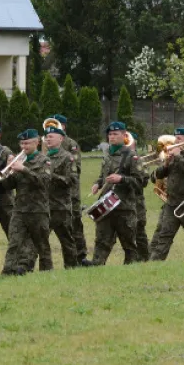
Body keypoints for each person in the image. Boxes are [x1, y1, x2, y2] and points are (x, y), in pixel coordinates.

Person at [88, 122, 143, 265]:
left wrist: (122, 179)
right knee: (101, 240)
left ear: (124, 136)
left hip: (124, 207)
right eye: (110, 134)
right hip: (106, 205)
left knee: (128, 243)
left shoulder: (132, 156)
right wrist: (97, 183)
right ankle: (96, 266)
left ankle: (131, 268)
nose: (111, 137)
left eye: (115, 134)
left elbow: (141, 182)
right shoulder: (107, 155)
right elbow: (103, 176)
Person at [0, 129, 52, 274]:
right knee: (14, 242)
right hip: (20, 210)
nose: (24, 147)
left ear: (36, 142)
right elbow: (9, 186)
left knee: (42, 244)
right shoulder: (20, 160)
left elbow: (44, 182)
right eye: (22, 143)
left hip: (38, 210)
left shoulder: (44, 160)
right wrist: (8, 172)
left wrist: (24, 169)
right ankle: (8, 271)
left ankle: (46, 272)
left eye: (27, 143)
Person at [149, 128, 184, 261]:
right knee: (164, 236)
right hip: (172, 203)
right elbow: (156, 176)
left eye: (179, 138)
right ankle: (154, 265)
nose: (175, 141)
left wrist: (178, 156)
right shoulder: (173, 156)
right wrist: (166, 164)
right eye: (175, 138)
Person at [54, 114, 89, 264]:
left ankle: (81, 256)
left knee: (75, 223)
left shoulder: (71, 144)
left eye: (57, 125)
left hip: (70, 193)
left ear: (64, 126)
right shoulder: (45, 143)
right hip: (50, 194)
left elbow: (77, 169)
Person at [41, 125, 77, 268]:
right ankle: (45, 268)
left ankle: (72, 268)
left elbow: (71, 180)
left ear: (61, 139)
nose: (48, 139)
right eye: (46, 137)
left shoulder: (67, 157)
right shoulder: (43, 158)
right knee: (41, 239)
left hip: (60, 207)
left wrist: (52, 175)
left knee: (66, 240)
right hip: (44, 206)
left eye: (51, 136)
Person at [131, 132, 150, 262]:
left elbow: (143, 182)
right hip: (120, 202)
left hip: (136, 201)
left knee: (139, 232)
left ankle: (144, 258)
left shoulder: (140, 160)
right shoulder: (117, 157)